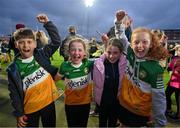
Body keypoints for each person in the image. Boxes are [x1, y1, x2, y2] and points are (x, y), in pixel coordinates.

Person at [6, 13, 61, 127]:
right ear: (16, 45)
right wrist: (19, 113)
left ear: (35, 44)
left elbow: (56, 41)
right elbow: (14, 93)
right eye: (21, 42)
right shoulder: (13, 68)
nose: (26, 46)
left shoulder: (42, 54)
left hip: (48, 103)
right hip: (29, 108)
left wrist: (47, 23)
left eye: (29, 42)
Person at [116, 27, 170, 127]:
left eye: (144, 42)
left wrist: (160, 122)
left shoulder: (155, 69)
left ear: (151, 44)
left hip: (138, 113)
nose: (140, 46)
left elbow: (159, 98)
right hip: (123, 104)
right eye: (136, 42)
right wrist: (118, 23)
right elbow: (122, 38)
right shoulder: (130, 53)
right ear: (131, 45)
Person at [58, 38, 93, 127]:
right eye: (73, 50)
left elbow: (105, 57)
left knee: (82, 125)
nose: (76, 53)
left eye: (80, 50)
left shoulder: (88, 64)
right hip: (70, 104)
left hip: (85, 103)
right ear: (69, 52)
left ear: (85, 53)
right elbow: (56, 78)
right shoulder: (64, 66)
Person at [93, 37, 127, 127]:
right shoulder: (97, 63)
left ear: (121, 52)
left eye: (115, 53)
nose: (111, 56)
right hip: (102, 102)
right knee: (102, 124)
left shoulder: (126, 64)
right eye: (109, 52)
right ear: (105, 51)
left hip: (117, 102)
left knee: (112, 124)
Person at [165, 45, 180, 120]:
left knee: (178, 100)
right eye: (178, 50)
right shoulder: (175, 58)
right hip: (172, 82)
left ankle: (178, 115)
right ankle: (168, 109)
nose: (179, 52)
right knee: (167, 94)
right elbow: (169, 68)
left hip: (179, 84)